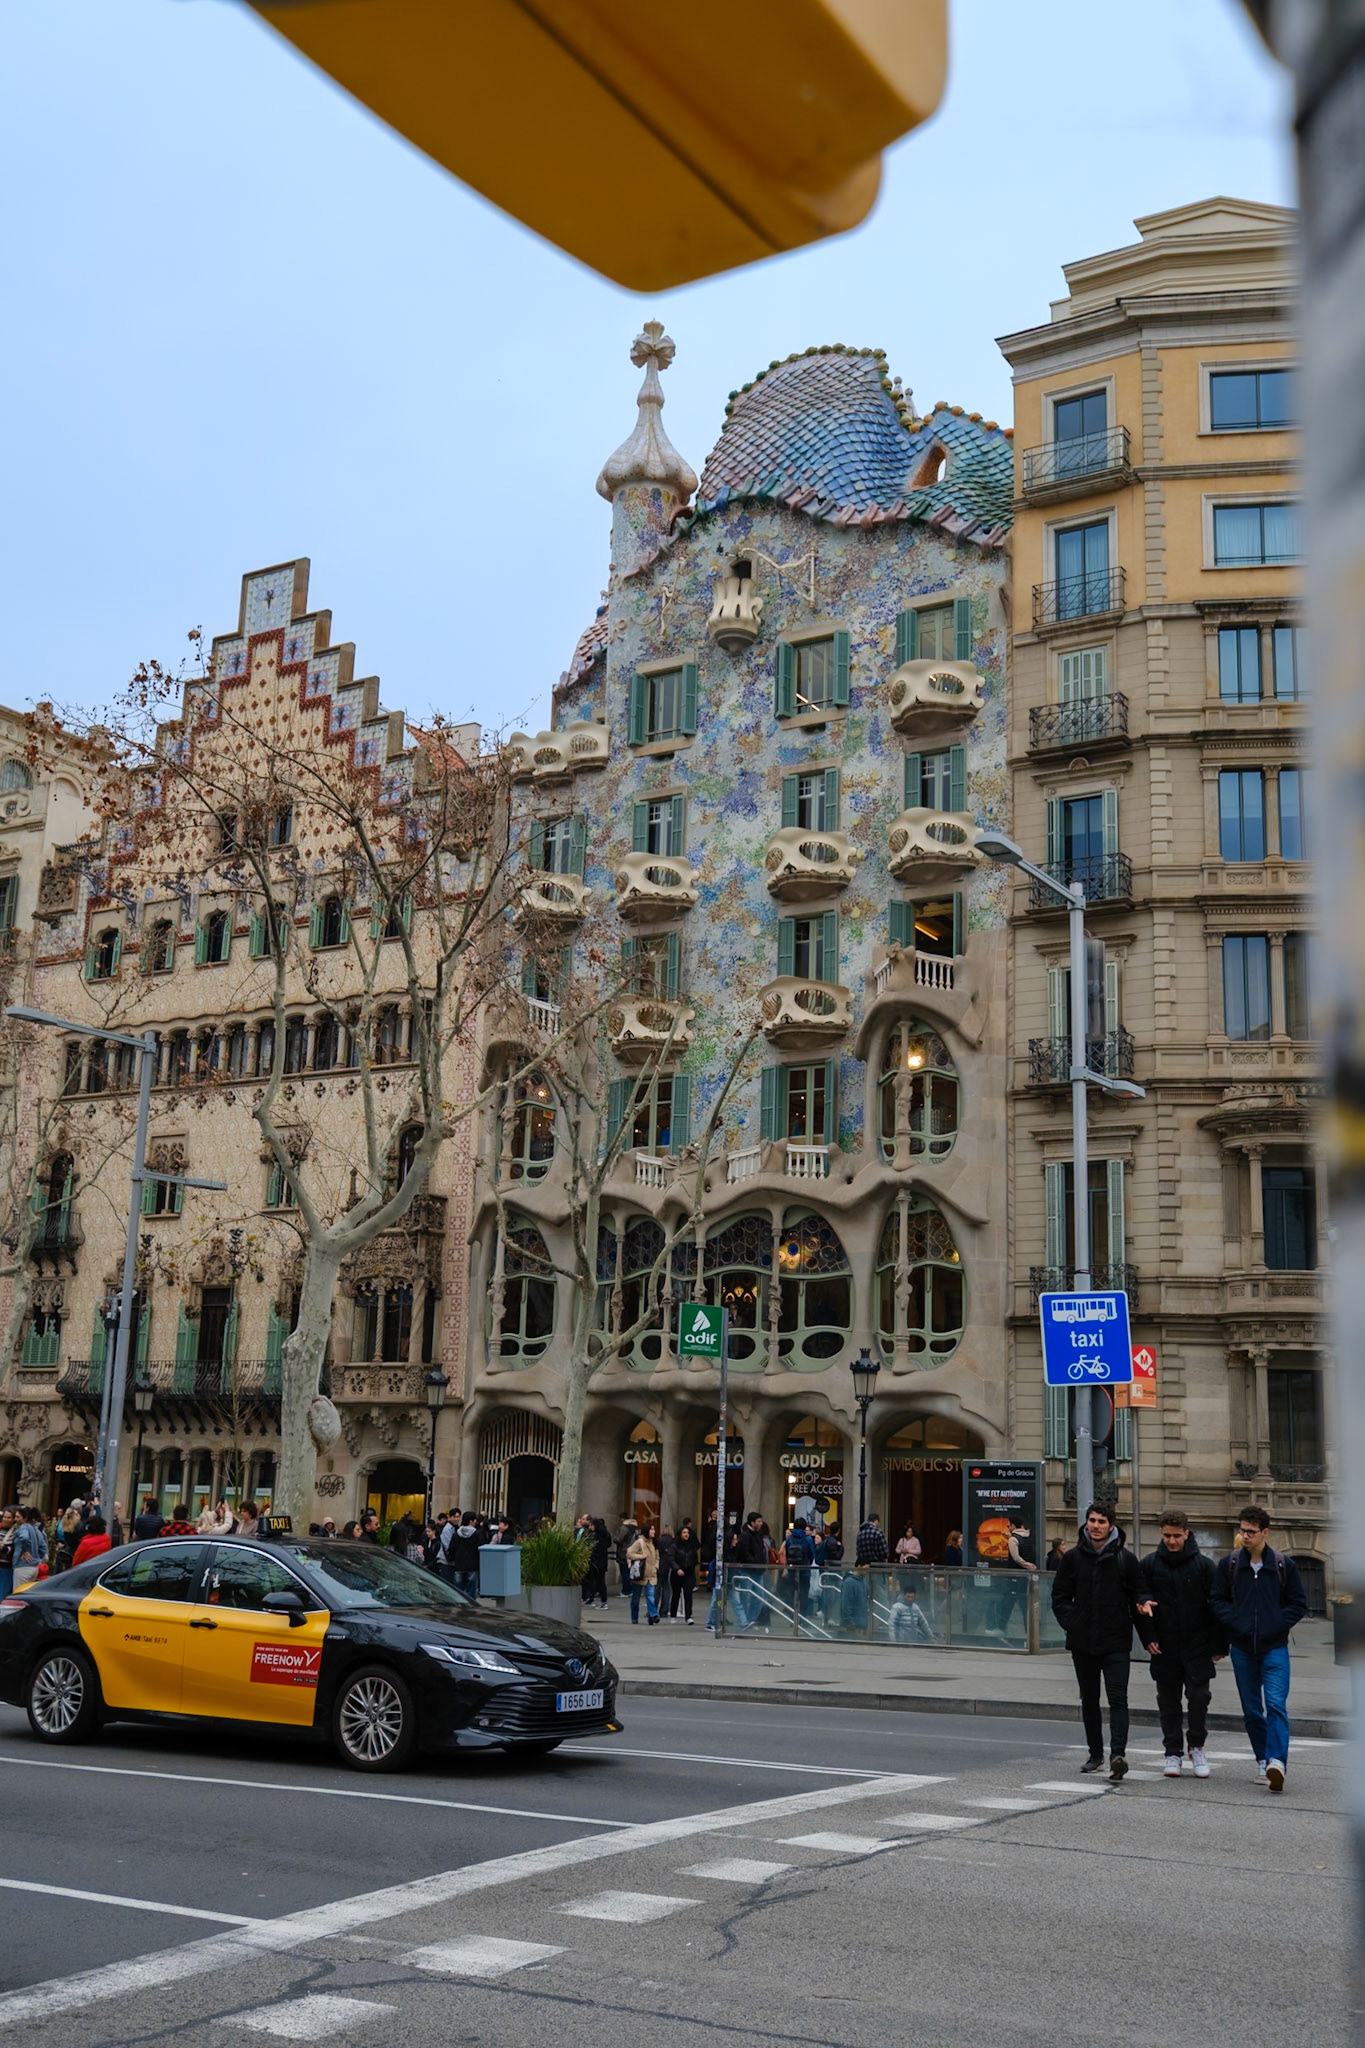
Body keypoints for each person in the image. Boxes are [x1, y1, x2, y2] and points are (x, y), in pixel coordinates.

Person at [1050, 1502, 1155, 1781]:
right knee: (1090, 1700)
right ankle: (1095, 1754)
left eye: (1101, 1521)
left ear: (1111, 1525)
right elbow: (1059, 1597)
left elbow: (1140, 1593)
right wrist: (1072, 1622)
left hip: (1116, 1642)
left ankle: (1117, 1755)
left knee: (1118, 1699)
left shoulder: (1125, 1559)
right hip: (1083, 1642)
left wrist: (1145, 1616)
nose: (1095, 1526)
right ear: (1086, 1524)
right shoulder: (1072, 1558)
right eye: (1091, 1521)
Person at [1210, 1504, 1308, 1793]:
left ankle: (1277, 1762)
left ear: (1265, 1532)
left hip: (1274, 1647)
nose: (1245, 1535)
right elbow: (1217, 1600)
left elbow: (1298, 1604)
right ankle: (1262, 1759)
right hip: (1242, 1649)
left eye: (1251, 1531)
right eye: (1243, 1530)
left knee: (1276, 1705)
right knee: (1252, 1710)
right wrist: (1236, 1623)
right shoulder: (1230, 1564)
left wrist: (1275, 1624)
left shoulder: (1282, 1565)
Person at [1142, 1509, 1226, 1779]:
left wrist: (1219, 1646)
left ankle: (1197, 1746)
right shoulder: (1150, 1564)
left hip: (1197, 1644)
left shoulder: (1203, 1566)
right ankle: (1172, 1753)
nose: (1172, 1541)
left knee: (1199, 1697)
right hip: (1165, 1645)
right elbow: (1141, 1605)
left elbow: (1217, 1607)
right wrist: (1148, 1638)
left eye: (1177, 1536)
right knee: (1168, 1702)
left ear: (1187, 1534)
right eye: (1167, 1535)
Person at [731, 1511, 771, 1632]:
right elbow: (744, 1552)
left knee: (758, 1596)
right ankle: (745, 1620)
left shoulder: (758, 1535)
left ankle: (751, 1619)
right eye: (758, 1521)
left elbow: (761, 1551)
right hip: (748, 1570)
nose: (761, 1523)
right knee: (746, 1596)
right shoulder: (745, 1536)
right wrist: (754, 1563)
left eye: (760, 1521)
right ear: (752, 1522)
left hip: (757, 1570)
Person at [626, 1521, 660, 1624]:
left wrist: (656, 1566)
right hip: (640, 1575)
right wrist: (641, 1556)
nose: (654, 1531)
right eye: (652, 1529)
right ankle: (634, 1618)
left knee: (651, 1597)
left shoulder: (654, 1543)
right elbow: (629, 1553)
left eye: (654, 1529)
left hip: (651, 1575)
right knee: (635, 1599)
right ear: (647, 1531)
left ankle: (653, 1615)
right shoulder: (639, 1542)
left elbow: (657, 1557)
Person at [782, 1518, 815, 1619]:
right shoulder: (808, 1539)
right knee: (804, 1594)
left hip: (792, 1570)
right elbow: (812, 1555)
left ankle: (792, 1616)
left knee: (792, 1593)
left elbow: (787, 1553)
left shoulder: (789, 1539)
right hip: (804, 1570)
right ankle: (803, 1617)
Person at [888, 1575, 935, 1644]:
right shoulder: (897, 1607)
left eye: (912, 1597)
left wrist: (930, 1637)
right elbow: (892, 1625)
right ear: (904, 1595)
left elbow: (923, 1623)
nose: (910, 1599)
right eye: (908, 1597)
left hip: (913, 1640)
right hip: (901, 1640)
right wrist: (894, 1641)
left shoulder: (915, 1608)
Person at [445, 1512, 482, 1597]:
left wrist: (453, 1559)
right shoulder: (477, 1534)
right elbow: (480, 1549)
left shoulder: (456, 1534)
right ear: (471, 1521)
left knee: (458, 1590)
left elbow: (451, 1549)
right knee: (471, 1590)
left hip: (458, 1565)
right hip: (472, 1566)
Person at [10, 1507, 47, 1590]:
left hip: (22, 1567)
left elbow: (24, 1537)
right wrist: (36, 1558)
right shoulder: (36, 1530)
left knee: (18, 1594)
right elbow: (43, 1548)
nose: (15, 1519)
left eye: (18, 1517)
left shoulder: (24, 1527)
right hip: (34, 1568)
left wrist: (24, 1551)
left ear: (25, 1517)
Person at [670, 1517, 699, 1622]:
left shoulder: (691, 1546)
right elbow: (671, 1558)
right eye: (684, 1532)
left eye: (687, 1532)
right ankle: (673, 1614)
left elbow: (695, 1557)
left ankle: (688, 1616)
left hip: (688, 1572)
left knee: (688, 1594)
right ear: (680, 1534)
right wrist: (677, 1569)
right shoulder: (674, 1546)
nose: (686, 1534)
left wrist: (692, 1565)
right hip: (677, 1572)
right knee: (676, 1594)